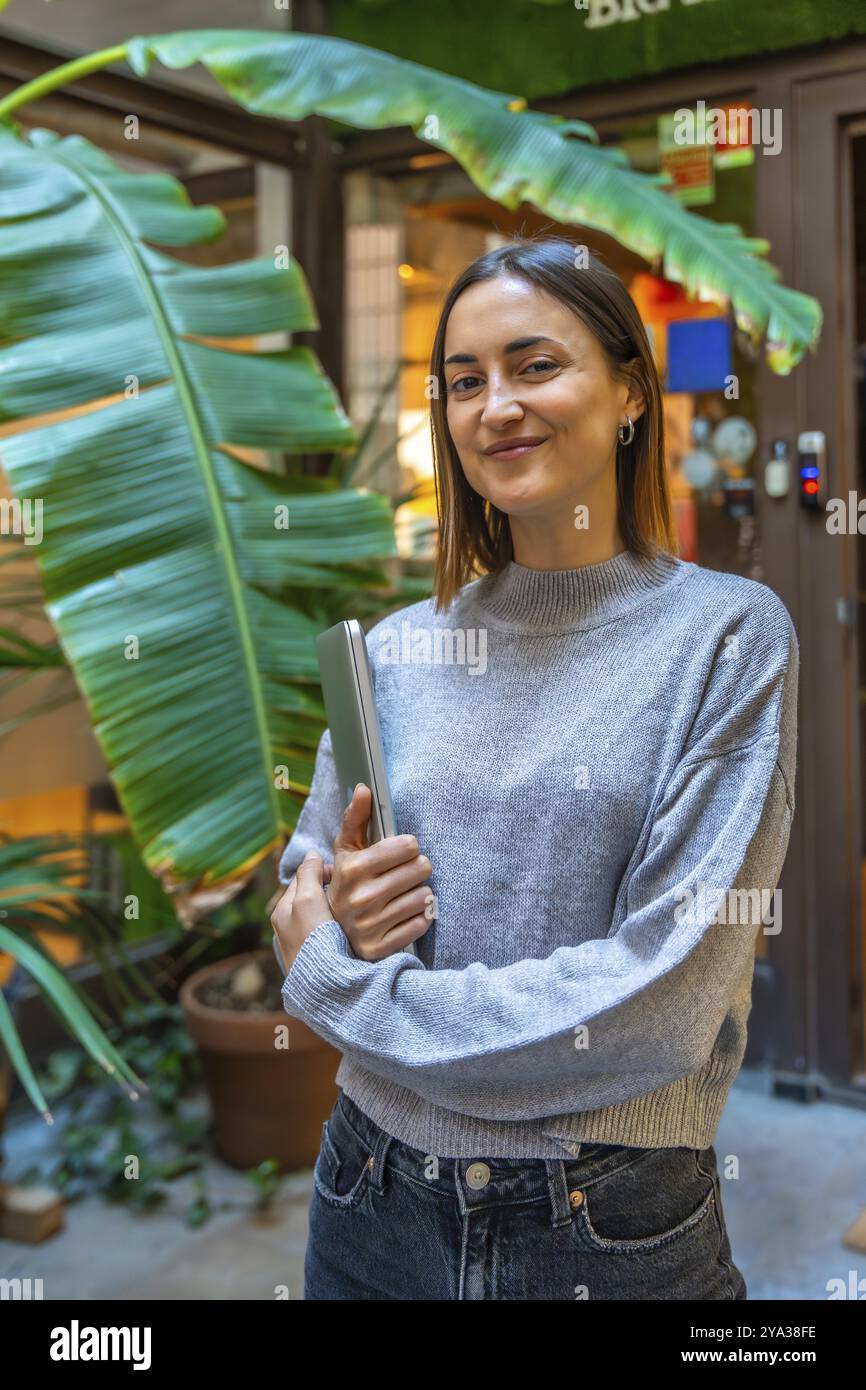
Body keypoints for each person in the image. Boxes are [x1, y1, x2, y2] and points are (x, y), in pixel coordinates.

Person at [271, 236, 798, 1301]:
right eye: (463, 382)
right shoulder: (387, 651)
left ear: (628, 394)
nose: (493, 405)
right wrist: (327, 907)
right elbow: (302, 895)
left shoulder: (724, 637)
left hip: (601, 1220)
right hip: (367, 1189)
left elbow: (655, 998)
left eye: (533, 365)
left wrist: (347, 989)